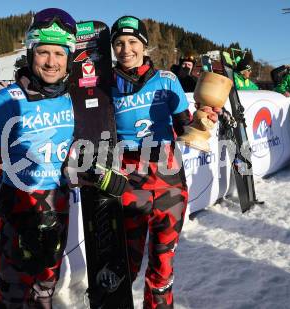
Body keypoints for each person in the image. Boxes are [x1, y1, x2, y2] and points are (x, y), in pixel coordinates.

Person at [0, 8, 77, 308]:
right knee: (12, 297)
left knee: (45, 293)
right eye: (43, 52)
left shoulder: (74, 98)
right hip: (18, 210)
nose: (51, 62)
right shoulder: (8, 100)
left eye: (59, 53)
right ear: (30, 52)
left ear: (69, 57)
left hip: (59, 208)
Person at [110, 16, 220, 309]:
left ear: (144, 46)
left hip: (169, 183)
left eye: (132, 42)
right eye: (119, 43)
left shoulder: (166, 80)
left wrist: (203, 118)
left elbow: (186, 127)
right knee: (126, 265)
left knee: (162, 265)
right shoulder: (106, 84)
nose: (125, 49)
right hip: (129, 184)